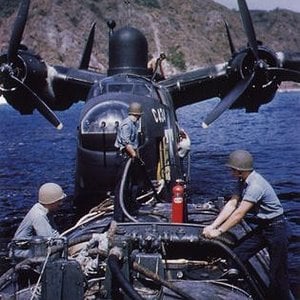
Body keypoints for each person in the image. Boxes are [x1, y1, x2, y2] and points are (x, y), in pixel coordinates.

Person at [203, 150, 290, 300]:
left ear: (239, 170)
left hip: (277, 228)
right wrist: (213, 226)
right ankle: (234, 280)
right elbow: (232, 204)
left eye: (232, 170)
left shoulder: (255, 186)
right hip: (264, 227)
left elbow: (239, 214)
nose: (231, 173)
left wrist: (220, 231)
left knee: (277, 274)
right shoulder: (242, 181)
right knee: (237, 253)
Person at [11, 182, 66, 258]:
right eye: (59, 201)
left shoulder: (44, 209)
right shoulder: (39, 216)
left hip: (31, 247)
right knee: (52, 254)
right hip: (21, 252)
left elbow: (54, 233)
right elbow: (49, 241)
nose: (61, 204)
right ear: (52, 202)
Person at [114, 102, 143, 221]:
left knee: (133, 184)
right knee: (122, 186)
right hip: (125, 157)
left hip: (130, 157)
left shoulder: (133, 124)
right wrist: (134, 155)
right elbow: (126, 143)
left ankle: (130, 208)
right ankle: (119, 216)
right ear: (138, 114)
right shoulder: (127, 124)